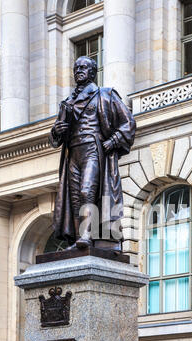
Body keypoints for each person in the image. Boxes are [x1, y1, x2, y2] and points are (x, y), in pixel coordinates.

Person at [49, 55, 136, 250]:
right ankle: (80, 237)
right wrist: (57, 131)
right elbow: (55, 136)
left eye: (84, 67)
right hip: (73, 153)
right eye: (76, 68)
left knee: (87, 191)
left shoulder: (105, 95)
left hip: (93, 150)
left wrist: (112, 141)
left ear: (92, 73)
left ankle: (87, 236)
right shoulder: (67, 103)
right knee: (75, 198)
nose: (79, 70)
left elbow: (128, 123)